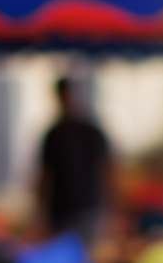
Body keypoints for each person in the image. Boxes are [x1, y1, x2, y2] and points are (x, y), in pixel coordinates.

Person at [37, 77, 110, 245]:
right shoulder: (57, 133)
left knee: (74, 261)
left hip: (80, 208)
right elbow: (108, 170)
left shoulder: (57, 133)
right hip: (75, 208)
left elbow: (107, 170)